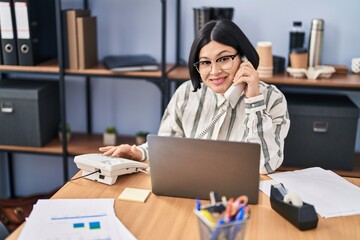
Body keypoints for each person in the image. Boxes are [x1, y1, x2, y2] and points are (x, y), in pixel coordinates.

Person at [99, 19, 290, 174]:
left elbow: (265, 166)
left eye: (224, 59)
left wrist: (254, 101)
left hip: (241, 203)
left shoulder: (273, 100)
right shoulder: (186, 94)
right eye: (205, 62)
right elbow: (169, 148)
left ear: (244, 59)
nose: (214, 71)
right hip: (190, 195)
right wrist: (138, 153)